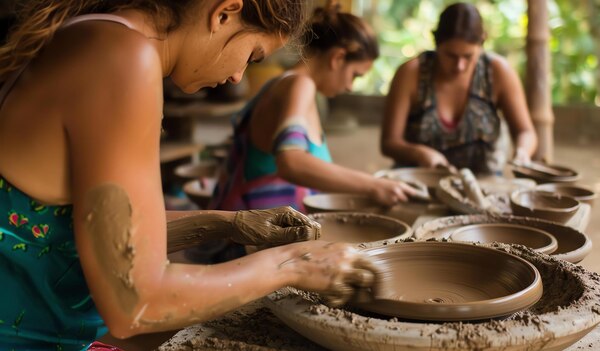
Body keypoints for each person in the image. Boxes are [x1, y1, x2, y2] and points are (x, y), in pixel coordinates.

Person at [0, 1, 378, 350]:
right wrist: (293, 264)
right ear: (224, 12)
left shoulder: (95, 35)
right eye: (251, 55)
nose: (237, 77)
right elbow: (134, 303)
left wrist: (228, 223)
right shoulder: (124, 59)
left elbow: (103, 235)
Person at [213, 2, 418, 213]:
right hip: (249, 239)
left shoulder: (285, 83)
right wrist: (373, 185)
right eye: (355, 75)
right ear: (337, 58)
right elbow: (291, 161)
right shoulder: (300, 85)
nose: (349, 86)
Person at [381, 2, 538, 175]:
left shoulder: (498, 73)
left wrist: (522, 153)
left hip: (483, 181)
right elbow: (389, 143)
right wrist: (419, 153)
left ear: (482, 43)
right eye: (450, 55)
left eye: (468, 56)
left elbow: (525, 132)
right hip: (420, 177)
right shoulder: (411, 74)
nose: (460, 66)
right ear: (436, 43)